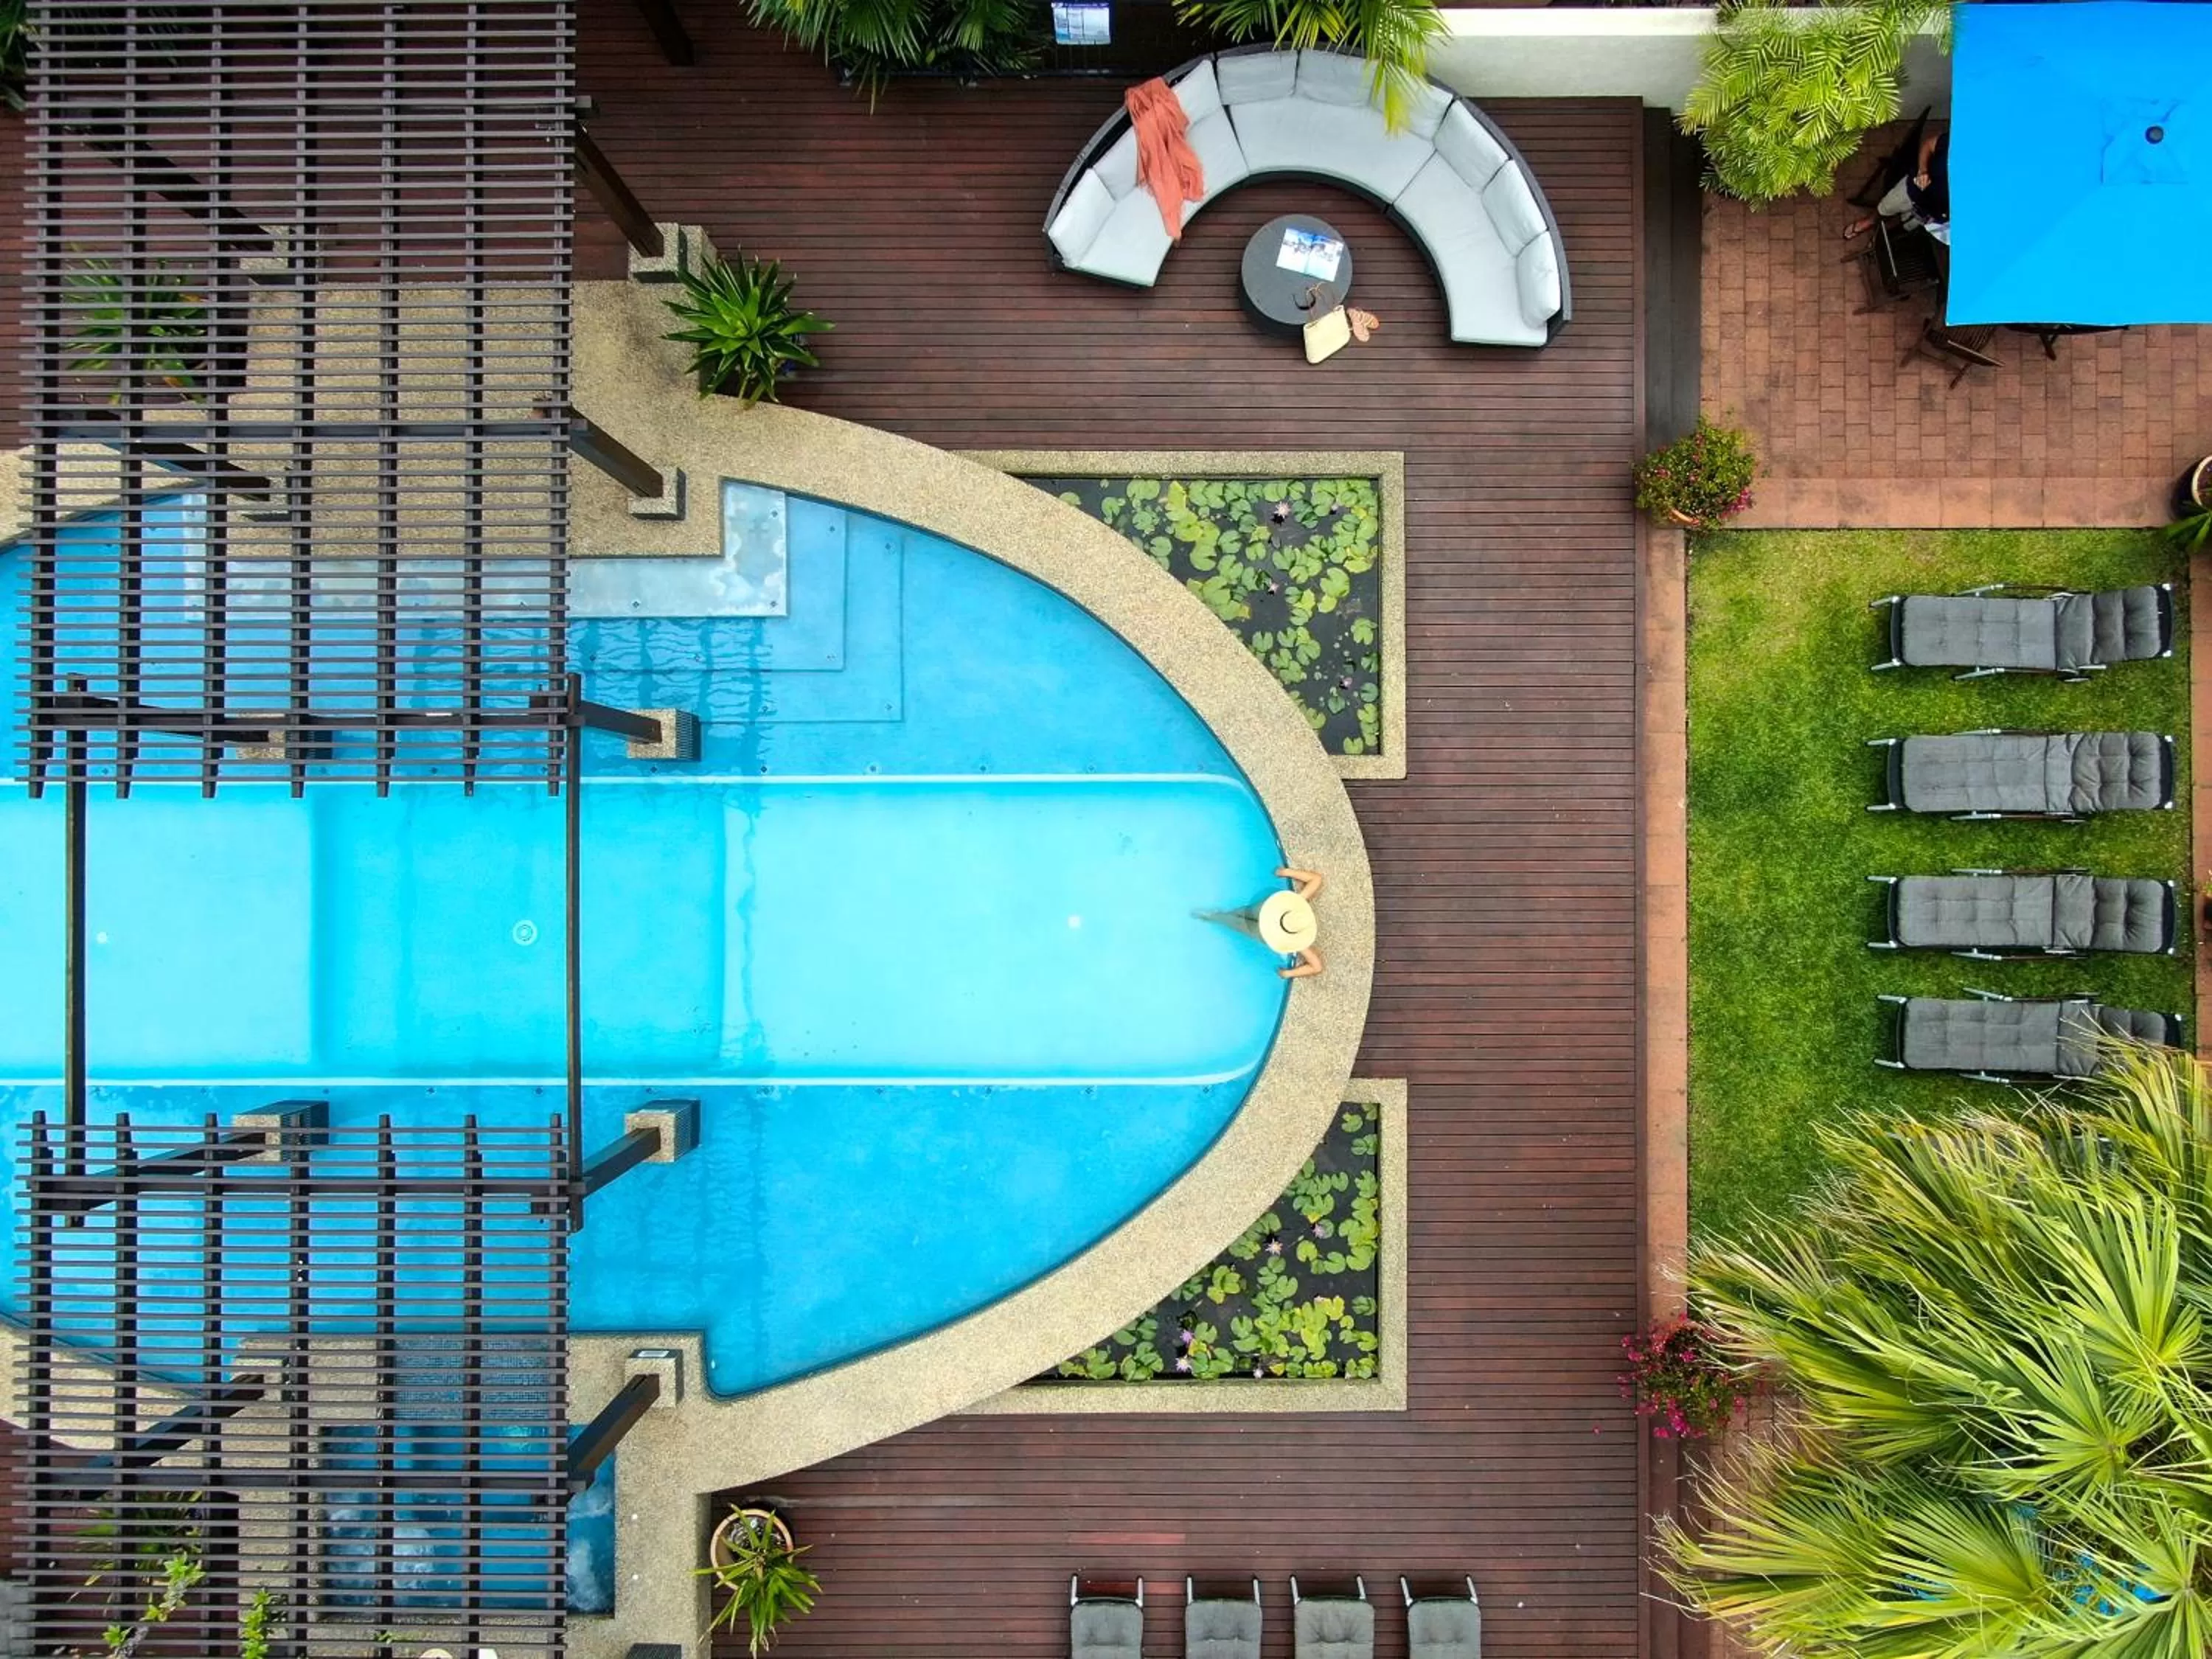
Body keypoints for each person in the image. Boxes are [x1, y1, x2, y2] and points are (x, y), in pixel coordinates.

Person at [1203, 866, 1326, 980]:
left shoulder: (1297, 901)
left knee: (1243, 912)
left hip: (1264, 910)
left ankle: (1221, 915)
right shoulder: (1299, 944)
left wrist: (1286, 872)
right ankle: (1215, 917)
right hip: (1259, 932)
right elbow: (1317, 967)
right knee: (1237, 924)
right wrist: (1287, 974)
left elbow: (1316, 879)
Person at [1846, 128, 1950, 246]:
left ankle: (1881, 241)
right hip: (1915, 188)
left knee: (1907, 227)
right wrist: (1923, 171)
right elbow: (1929, 145)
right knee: (1886, 207)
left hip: (1934, 214)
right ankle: (1869, 221)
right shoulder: (1961, 142)